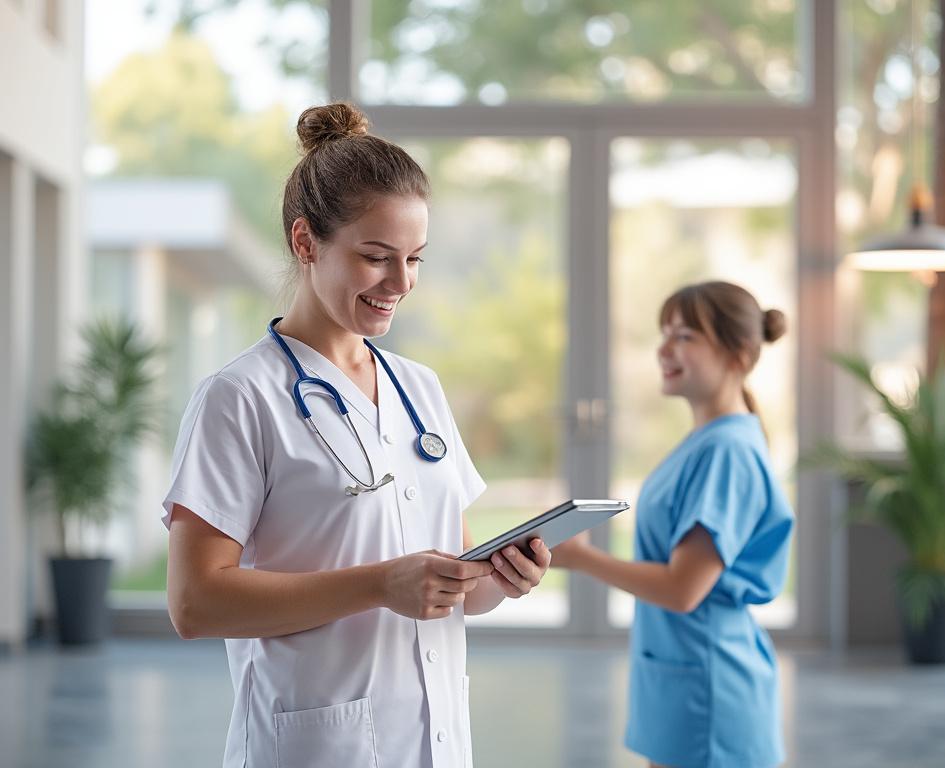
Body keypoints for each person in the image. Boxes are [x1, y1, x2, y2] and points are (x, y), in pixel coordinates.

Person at [162, 101, 552, 768]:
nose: (401, 283)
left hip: (433, 742)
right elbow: (196, 603)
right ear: (305, 242)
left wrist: (501, 578)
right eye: (376, 257)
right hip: (315, 746)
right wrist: (377, 585)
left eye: (414, 259)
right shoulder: (239, 399)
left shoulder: (418, 389)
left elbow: (457, 579)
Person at [552, 281, 794, 768]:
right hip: (685, 680)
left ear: (738, 353)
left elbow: (684, 589)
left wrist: (582, 558)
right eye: (665, 334)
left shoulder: (726, 450)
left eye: (685, 336)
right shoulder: (709, 440)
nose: (664, 349)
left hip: (710, 692)